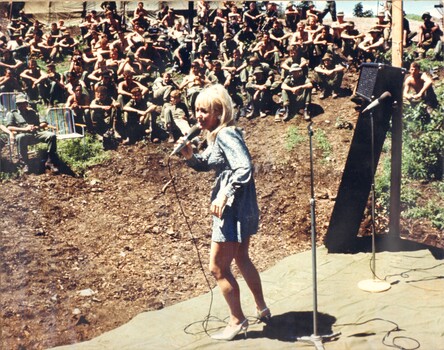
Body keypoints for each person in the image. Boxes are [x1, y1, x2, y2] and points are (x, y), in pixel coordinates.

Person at [178, 84, 270, 341]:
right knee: (241, 256)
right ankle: (262, 308)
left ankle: (237, 320)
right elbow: (208, 163)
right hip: (240, 205)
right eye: (196, 110)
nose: (198, 116)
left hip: (232, 208)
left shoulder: (226, 134)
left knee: (217, 268)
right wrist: (189, 156)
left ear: (219, 112)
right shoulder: (218, 135)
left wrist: (224, 194)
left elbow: (244, 168)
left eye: (204, 111)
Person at [6, 94, 59, 174]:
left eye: (24, 103)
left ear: (26, 103)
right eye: (19, 104)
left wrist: (36, 127)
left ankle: (50, 161)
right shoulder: (13, 114)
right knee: (20, 137)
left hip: (36, 133)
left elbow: (44, 123)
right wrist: (24, 129)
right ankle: (25, 163)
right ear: (17, 105)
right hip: (24, 135)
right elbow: (9, 127)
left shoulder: (32, 112)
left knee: (52, 135)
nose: (22, 105)